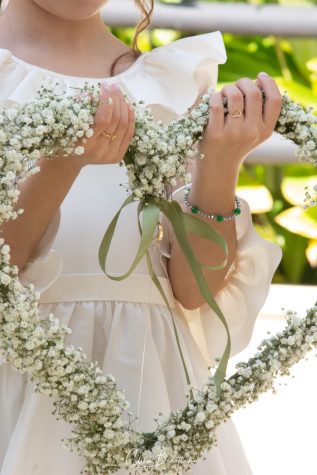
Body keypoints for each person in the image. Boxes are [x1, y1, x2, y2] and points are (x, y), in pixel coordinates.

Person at [0, 0, 283, 473]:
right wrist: (63, 162)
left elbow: (193, 290)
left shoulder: (168, 82)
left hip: (150, 386)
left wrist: (221, 164)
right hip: (19, 381)